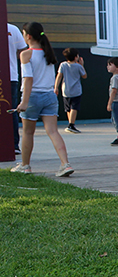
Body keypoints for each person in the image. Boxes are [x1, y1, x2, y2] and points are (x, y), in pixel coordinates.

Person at [10, 22, 73, 176]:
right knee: (53, 131)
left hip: (32, 97)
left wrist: (24, 102)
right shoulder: (47, 52)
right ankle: (65, 164)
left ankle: (25, 166)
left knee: (28, 132)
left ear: (28, 36)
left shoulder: (26, 54)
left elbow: (28, 79)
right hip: (50, 96)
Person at [55, 48, 87, 133]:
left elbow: (59, 76)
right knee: (74, 107)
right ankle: (71, 125)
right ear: (76, 57)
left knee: (68, 108)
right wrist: (82, 65)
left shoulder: (63, 65)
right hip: (76, 90)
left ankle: (70, 123)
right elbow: (84, 76)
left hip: (65, 89)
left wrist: (56, 87)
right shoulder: (78, 66)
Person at [7, 23, 27, 154]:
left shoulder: (12, 29)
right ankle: (14, 144)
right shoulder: (12, 29)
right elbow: (22, 51)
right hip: (11, 75)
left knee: (12, 109)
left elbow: (22, 50)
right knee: (11, 109)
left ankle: (13, 143)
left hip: (11, 75)